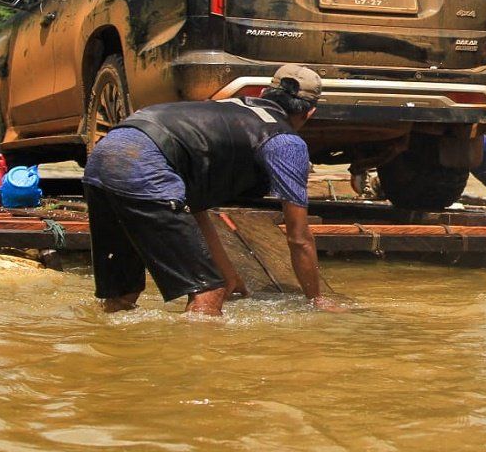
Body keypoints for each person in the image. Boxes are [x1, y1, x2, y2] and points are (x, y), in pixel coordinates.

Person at [82, 64, 342, 316]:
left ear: (263, 93)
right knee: (208, 294)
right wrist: (315, 299)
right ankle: (198, 359)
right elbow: (298, 237)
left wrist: (229, 277)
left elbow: (195, 208)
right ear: (310, 112)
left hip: (104, 156)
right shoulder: (286, 142)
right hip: (146, 164)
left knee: (122, 298)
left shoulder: (223, 110)